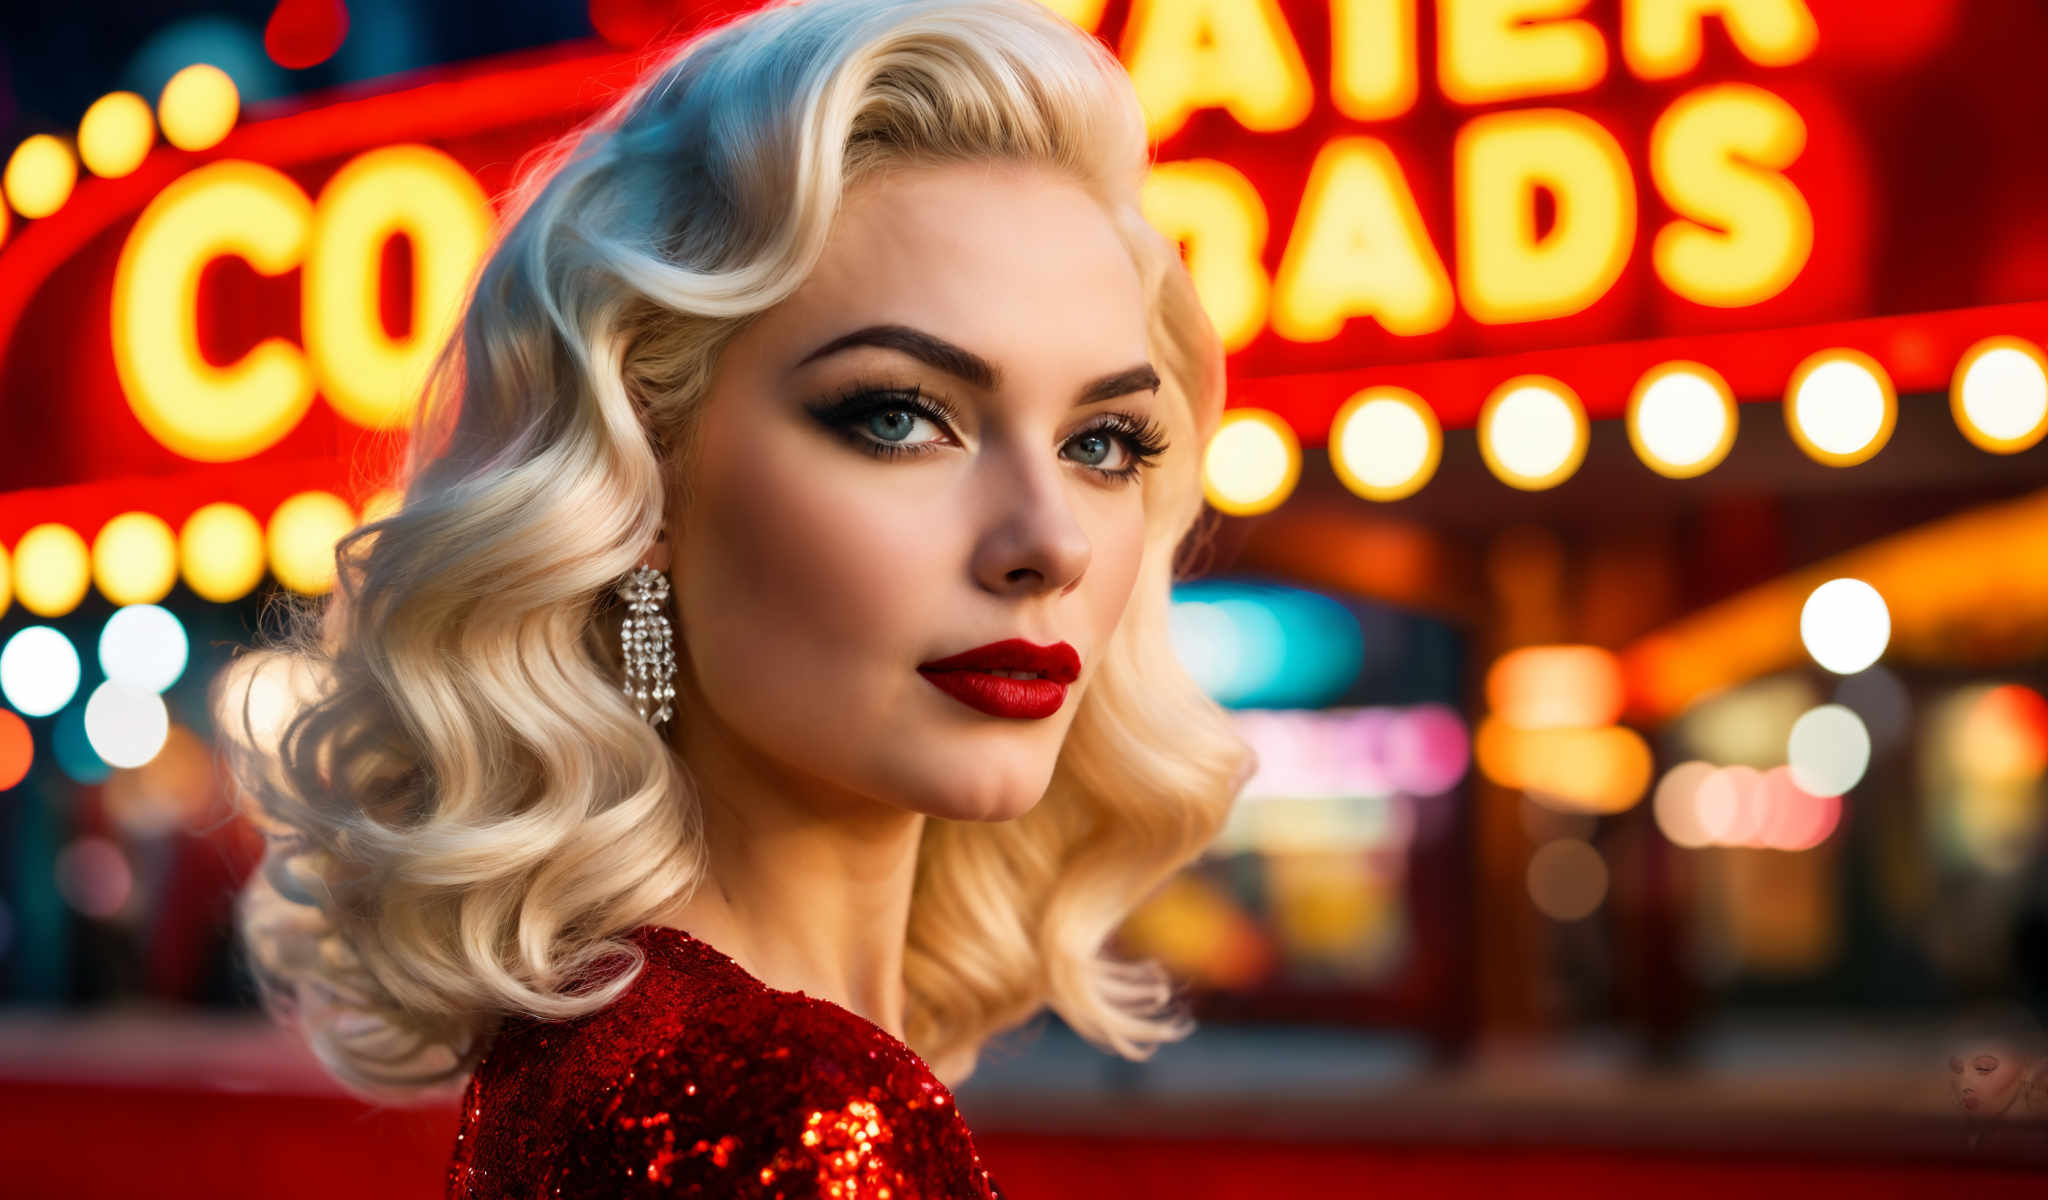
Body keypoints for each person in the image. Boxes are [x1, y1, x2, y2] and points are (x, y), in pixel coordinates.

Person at [212, 0, 1254, 1195]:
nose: (1051, 541)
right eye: (899, 416)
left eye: (1105, 441)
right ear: (644, 479)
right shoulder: (782, 1112)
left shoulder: (598, 1051)